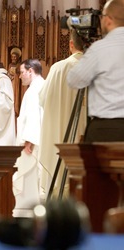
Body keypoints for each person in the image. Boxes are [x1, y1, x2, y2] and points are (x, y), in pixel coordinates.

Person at [38, 29, 87, 200]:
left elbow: (43, 99)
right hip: (87, 138)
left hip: (60, 136)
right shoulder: (98, 69)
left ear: (71, 44)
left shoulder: (58, 68)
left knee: (60, 180)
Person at [67, 0, 124, 142]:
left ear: (109, 19)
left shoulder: (100, 48)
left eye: (103, 16)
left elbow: (74, 80)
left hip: (105, 129)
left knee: (97, 165)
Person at [12, 59, 44, 218]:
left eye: (22, 72)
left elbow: (33, 116)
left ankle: (26, 214)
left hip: (32, 142)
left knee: (26, 178)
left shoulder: (34, 90)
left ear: (31, 71)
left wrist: (28, 141)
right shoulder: (39, 86)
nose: (19, 77)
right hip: (36, 140)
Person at [8, 47, 22, 117]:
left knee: (15, 95)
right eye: (12, 57)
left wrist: (15, 75)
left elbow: (19, 73)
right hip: (11, 81)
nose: (13, 58)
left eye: (15, 57)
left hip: (16, 83)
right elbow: (8, 73)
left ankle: (16, 109)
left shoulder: (19, 65)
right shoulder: (10, 65)